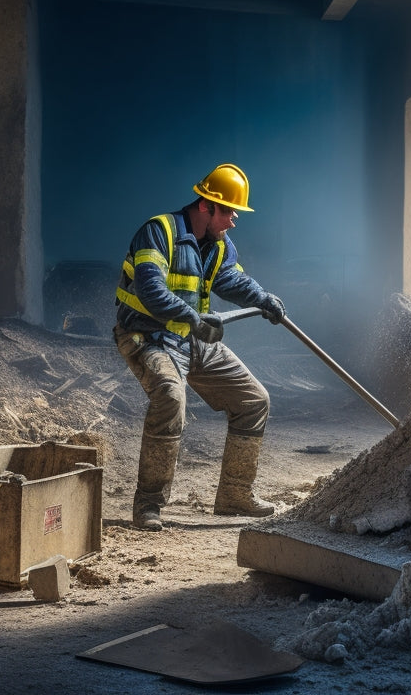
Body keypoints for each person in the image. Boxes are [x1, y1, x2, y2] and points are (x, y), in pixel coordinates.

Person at [114, 163, 286, 531]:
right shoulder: (158, 232)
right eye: (228, 211)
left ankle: (234, 496)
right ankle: (148, 505)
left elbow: (232, 281)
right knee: (170, 398)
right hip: (147, 337)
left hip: (190, 338)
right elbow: (151, 291)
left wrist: (263, 299)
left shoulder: (219, 245)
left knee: (254, 400)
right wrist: (194, 319)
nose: (234, 220)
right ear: (206, 205)